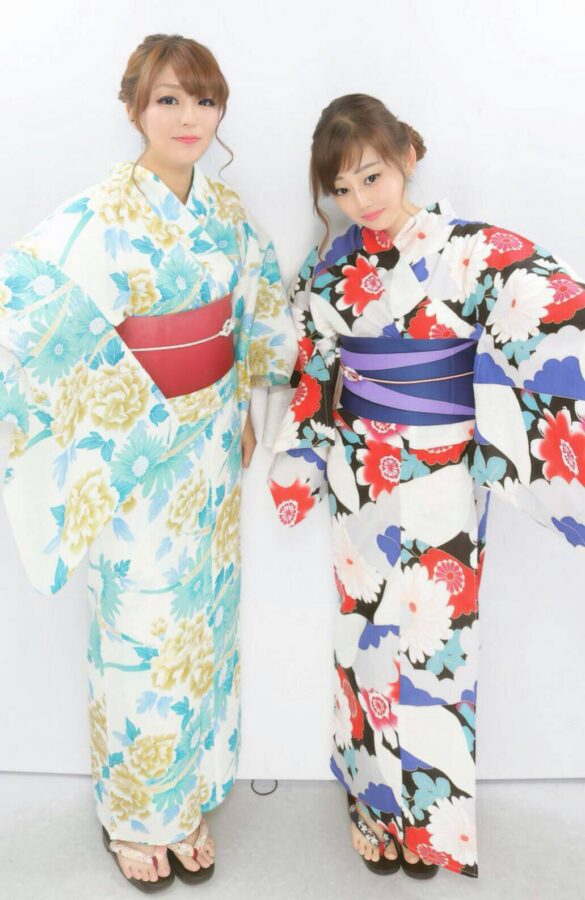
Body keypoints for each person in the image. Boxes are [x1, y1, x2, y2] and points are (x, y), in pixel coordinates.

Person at [0, 34, 296, 891]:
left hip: (209, 448)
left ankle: (189, 794)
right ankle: (136, 814)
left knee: (203, 624)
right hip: (133, 454)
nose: (189, 116)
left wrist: (246, 405)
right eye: (168, 98)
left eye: (204, 99)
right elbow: (28, 315)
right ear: (134, 107)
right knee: (141, 630)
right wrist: (120, 412)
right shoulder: (98, 214)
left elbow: (256, 307)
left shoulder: (225, 209)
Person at [268, 93, 584, 880]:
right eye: (341, 188)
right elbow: (313, 370)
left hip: (444, 471)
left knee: (437, 642)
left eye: (371, 176)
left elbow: (554, 315)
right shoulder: (328, 268)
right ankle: (373, 803)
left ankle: (431, 820)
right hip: (360, 474)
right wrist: (302, 459)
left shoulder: (472, 250)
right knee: (365, 640)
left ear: (407, 156)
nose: (359, 200)